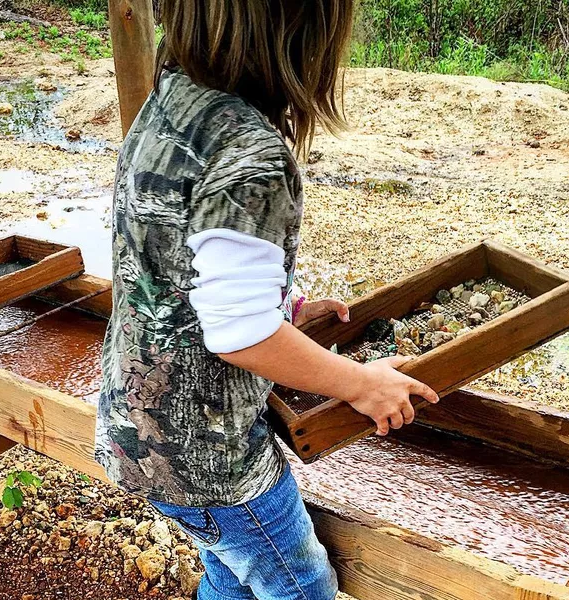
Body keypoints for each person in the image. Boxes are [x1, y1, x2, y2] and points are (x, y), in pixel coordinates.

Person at [95, 1, 440, 598]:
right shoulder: (250, 154)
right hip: (213, 457)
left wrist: (287, 309)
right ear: (302, 31)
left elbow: (173, 264)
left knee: (230, 576)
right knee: (299, 584)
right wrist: (363, 383)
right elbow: (240, 334)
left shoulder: (172, 101)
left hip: (137, 428)